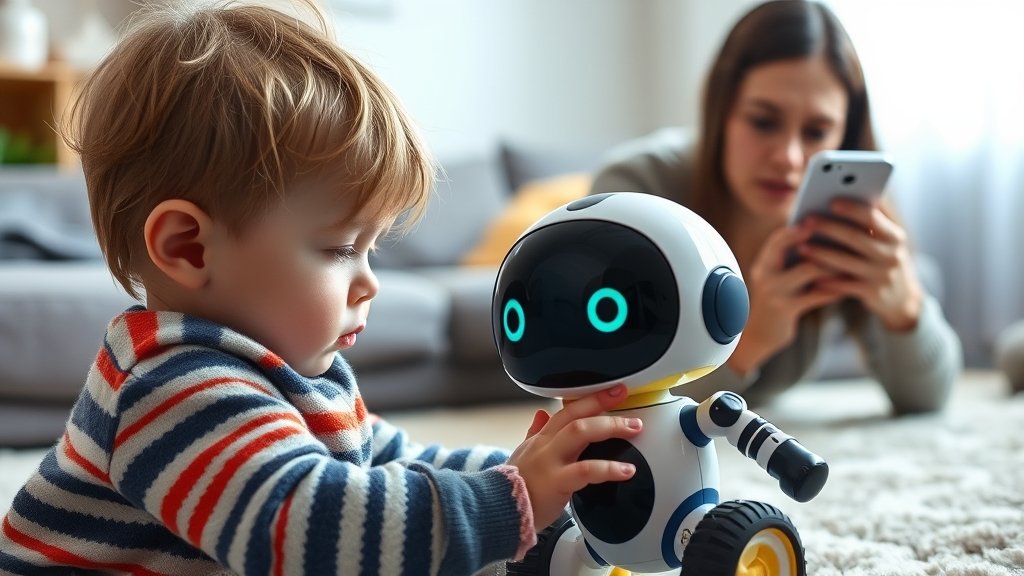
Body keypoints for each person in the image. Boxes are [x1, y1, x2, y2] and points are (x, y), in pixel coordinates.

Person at [0, 3, 642, 575]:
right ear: (188, 248)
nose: (369, 283)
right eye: (339, 249)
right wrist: (509, 498)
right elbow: (306, 530)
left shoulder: (287, 376)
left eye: (371, 249)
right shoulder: (170, 390)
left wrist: (530, 466)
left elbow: (394, 462)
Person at [590, 0, 962, 414]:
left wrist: (905, 310)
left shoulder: (848, 213)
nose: (788, 157)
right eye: (764, 122)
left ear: (844, 136)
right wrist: (749, 342)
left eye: (817, 131)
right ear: (721, 112)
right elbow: (611, 397)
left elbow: (928, 399)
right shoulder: (636, 192)